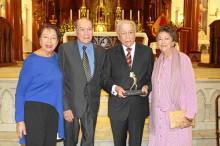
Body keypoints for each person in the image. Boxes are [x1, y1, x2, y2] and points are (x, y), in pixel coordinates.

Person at [101, 20, 154, 146]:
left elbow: (153, 77)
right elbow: (104, 79)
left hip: (138, 106)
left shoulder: (147, 52)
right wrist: (115, 88)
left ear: (135, 33)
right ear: (118, 36)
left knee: (136, 143)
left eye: (130, 32)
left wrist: (148, 87)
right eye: (123, 33)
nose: (127, 36)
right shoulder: (109, 54)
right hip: (118, 107)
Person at [15, 23, 65, 146]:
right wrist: (20, 120)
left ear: (58, 41)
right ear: (39, 40)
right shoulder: (31, 61)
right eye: (45, 37)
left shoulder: (58, 59)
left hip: (53, 111)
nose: (49, 41)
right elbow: (20, 91)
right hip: (34, 111)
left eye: (53, 37)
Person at [58, 18, 105, 146]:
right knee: (70, 141)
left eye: (89, 29)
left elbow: (103, 77)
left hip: (92, 102)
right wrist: (65, 107)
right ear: (75, 31)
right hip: (71, 104)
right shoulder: (65, 49)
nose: (86, 33)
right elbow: (60, 79)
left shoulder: (101, 51)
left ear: (93, 31)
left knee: (89, 140)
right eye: (82, 29)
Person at [148, 25, 197, 146]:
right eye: (160, 39)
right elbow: (156, 89)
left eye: (166, 38)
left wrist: (189, 117)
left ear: (173, 41)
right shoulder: (157, 62)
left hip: (177, 116)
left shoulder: (182, 59)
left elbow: (190, 89)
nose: (163, 42)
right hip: (159, 116)